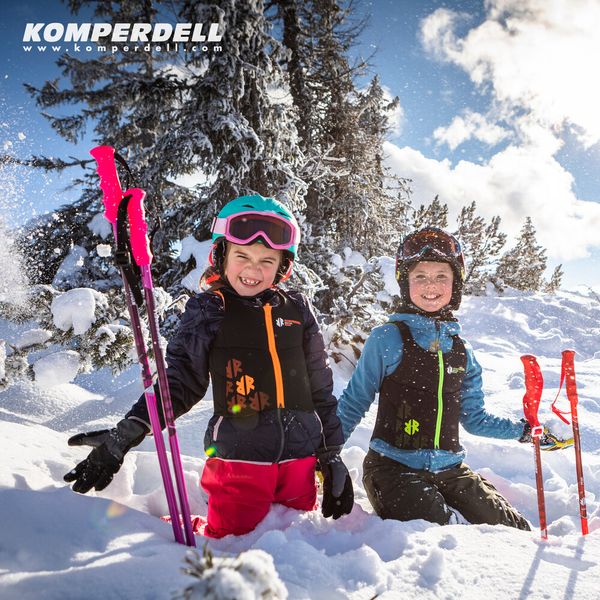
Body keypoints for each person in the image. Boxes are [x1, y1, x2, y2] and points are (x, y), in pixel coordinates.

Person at [64, 194, 354, 538]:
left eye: (266, 260)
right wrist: (131, 429)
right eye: (242, 256)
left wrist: (330, 454)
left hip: (300, 462)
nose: (253, 269)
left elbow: (320, 387)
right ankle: (172, 534)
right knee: (231, 542)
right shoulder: (210, 310)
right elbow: (181, 380)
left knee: (294, 541)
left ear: (282, 266)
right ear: (221, 256)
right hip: (240, 461)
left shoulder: (298, 310)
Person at [337, 227, 567, 530]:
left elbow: (475, 419)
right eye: (420, 276)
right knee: (447, 534)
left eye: (441, 276)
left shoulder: (462, 351)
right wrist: (323, 455)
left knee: (515, 531)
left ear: (455, 282)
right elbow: (354, 402)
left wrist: (524, 431)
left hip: (451, 470)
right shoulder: (387, 338)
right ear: (405, 282)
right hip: (392, 469)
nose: (431, 285)